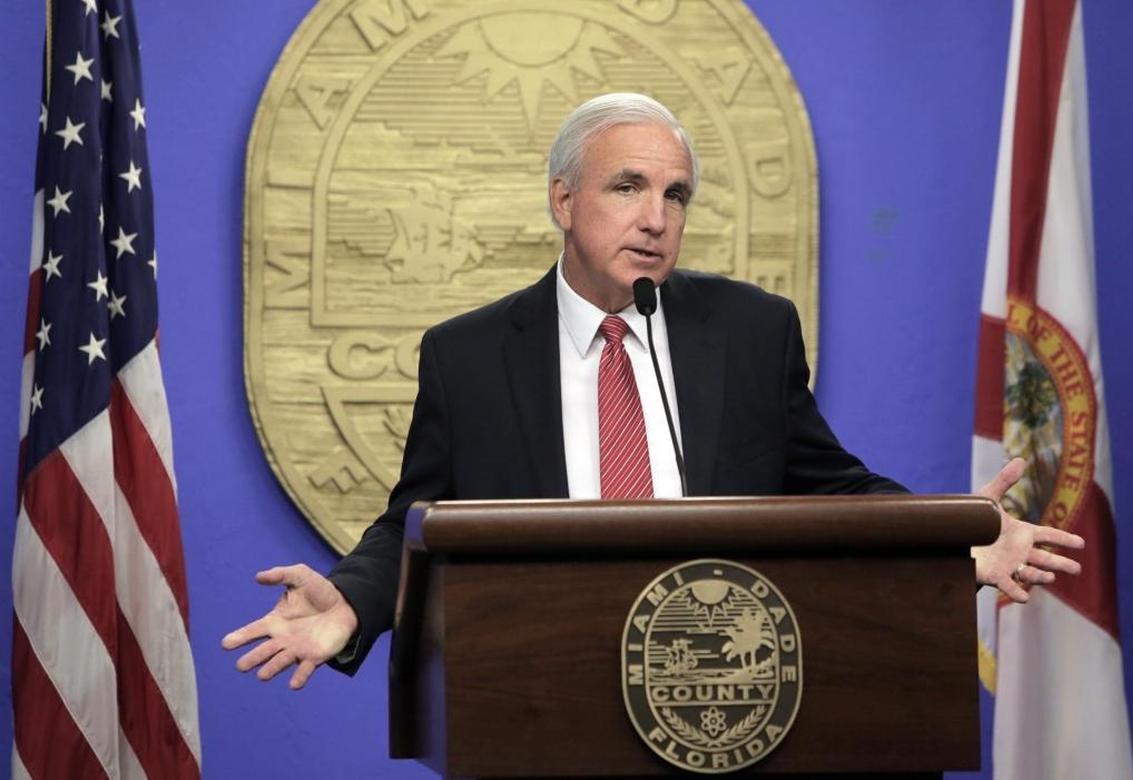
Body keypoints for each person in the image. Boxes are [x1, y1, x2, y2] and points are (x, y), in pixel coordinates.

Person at [222, 93, 1084, 689]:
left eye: (676, 195)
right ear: (564, 199)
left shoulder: (750, 331)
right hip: (542, 693)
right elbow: (414, 520)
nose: (656, 217)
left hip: (725, 692)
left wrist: (951, 543)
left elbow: (834, 489)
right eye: (627, 187)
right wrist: (355, 601)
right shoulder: (470, 355)